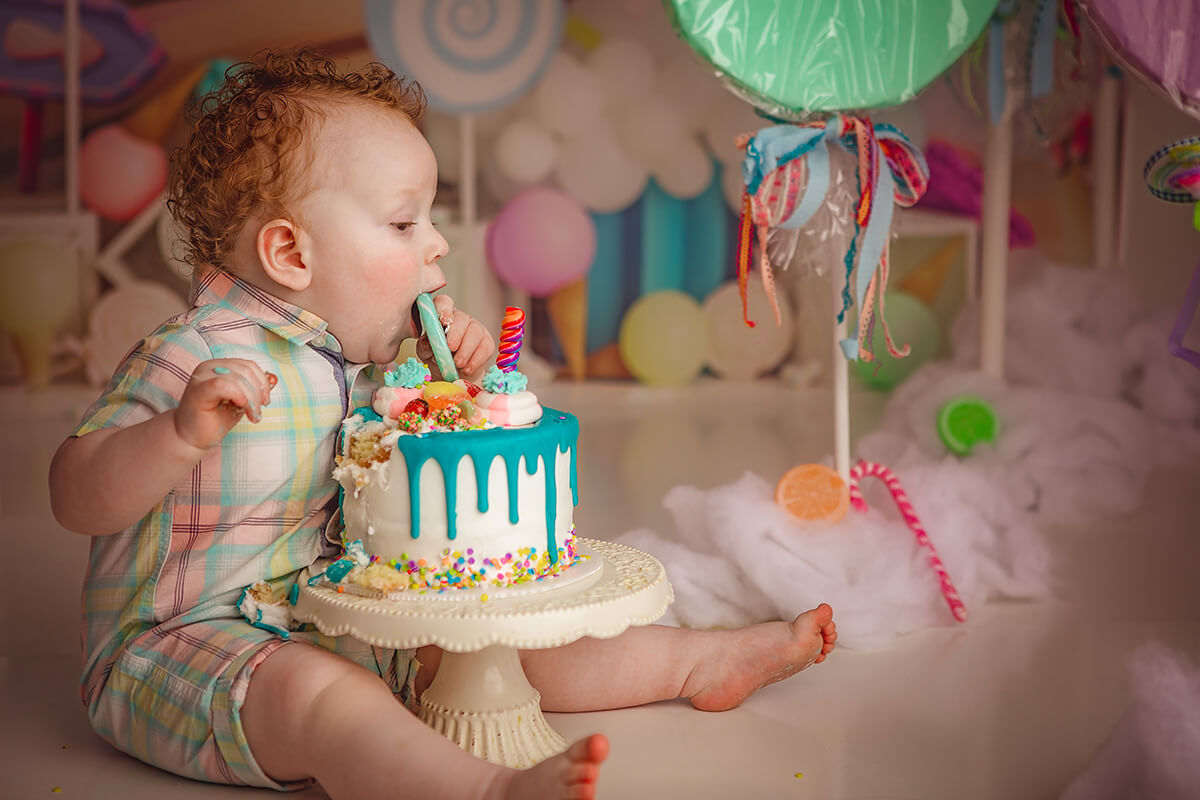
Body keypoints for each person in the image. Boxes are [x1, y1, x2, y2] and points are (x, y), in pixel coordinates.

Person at [48, 50, 837, 800]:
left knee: (500, 640)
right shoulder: (191, 357)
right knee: (321, 698)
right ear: (290, 252)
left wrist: (454, 383)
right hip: (183, 652)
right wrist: (178, 436)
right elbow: (75, 494)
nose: (438, 244)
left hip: (342, 618)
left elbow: (419, 475)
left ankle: (699, 663)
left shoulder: (364, 361)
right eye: (403, 225)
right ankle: (485, 787)